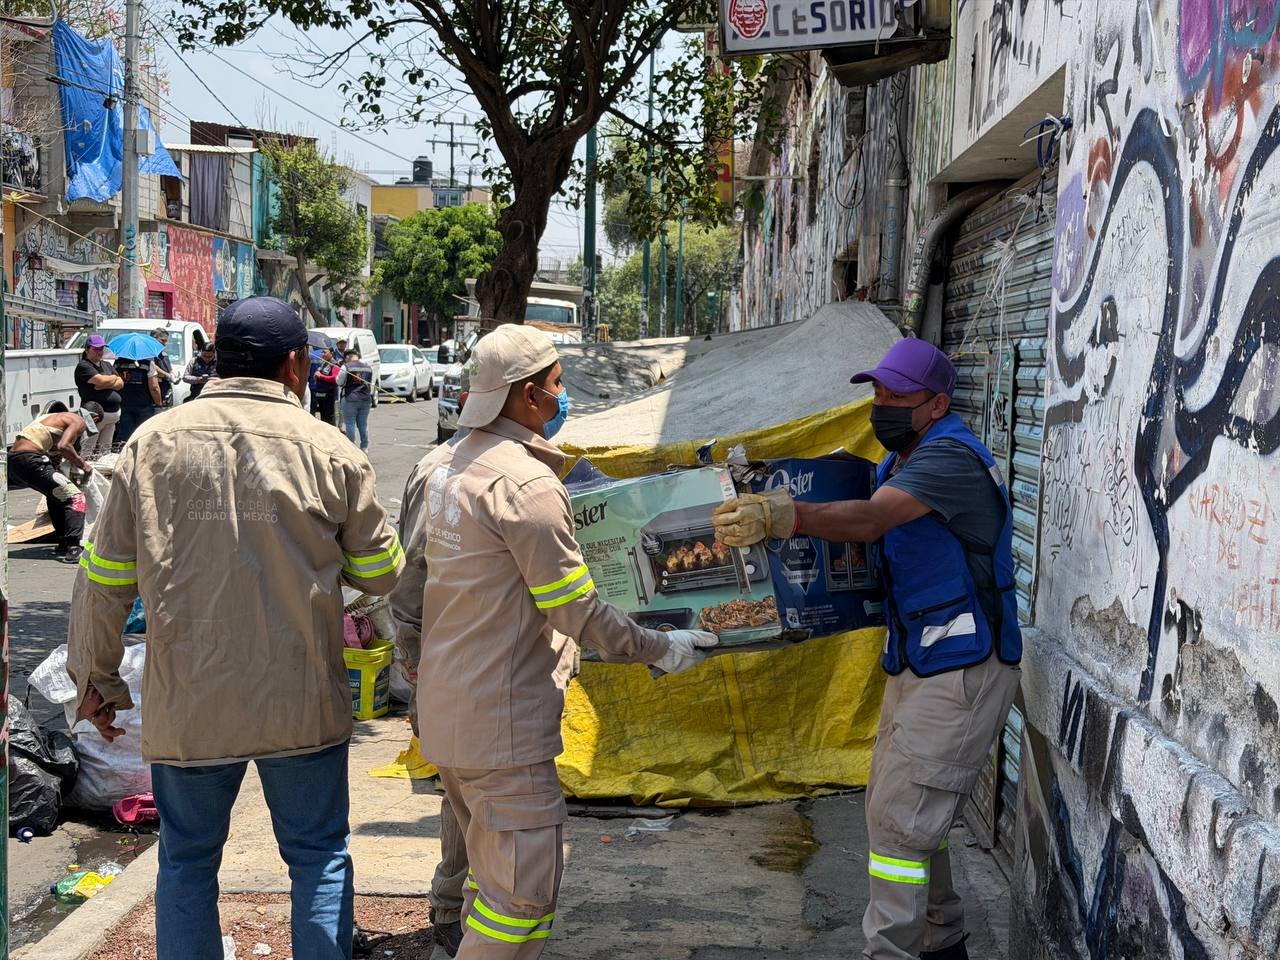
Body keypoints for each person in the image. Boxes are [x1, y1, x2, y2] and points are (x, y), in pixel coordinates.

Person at [67, 296, 405, 960]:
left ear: (218, 357)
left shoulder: (153, 443)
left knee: (187, 862)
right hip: (299, 697)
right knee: (317, 856)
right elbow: (384, 570)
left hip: (191, 700)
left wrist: (97, 681)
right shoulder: (327, 447)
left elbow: (104, 581)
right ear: (295, 364)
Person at [712, 338, 1022, 960]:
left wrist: (785, 515)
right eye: (876, 392)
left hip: (961, 670)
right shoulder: (901, 460)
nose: (881, 405)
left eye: (895, 395)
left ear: (935, 404)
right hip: (922, 662)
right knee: (905, 819)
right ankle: (941, 944)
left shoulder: (950, 460)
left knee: (902, 827)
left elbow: (869, 520)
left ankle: (894, 951)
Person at [417, 323, 717, 959]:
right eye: (556, 387)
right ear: (527, 397)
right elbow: (575, 610)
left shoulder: (451, 467)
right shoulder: (524, 486)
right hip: (502, 726)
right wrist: (661, 648)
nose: (562, 399)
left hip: (451, 714)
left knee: (495, 885)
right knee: (520, 897)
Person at [389, 441, 470, 957]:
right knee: (464, 795)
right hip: (457, 672)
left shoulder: (528, 460)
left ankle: (464, 910)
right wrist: (417, 672)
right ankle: (450, 912)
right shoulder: (445, 470)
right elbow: (410, 579)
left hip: (507, 674)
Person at [7, 404, 104, 562]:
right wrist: (83, 465)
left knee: (55, 495)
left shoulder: (52, 417)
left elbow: (48, 443)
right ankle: (73, 548)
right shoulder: (78, 420)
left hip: (15, 460)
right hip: (31, 459)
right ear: (94, 418)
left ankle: (64, 541)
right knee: (75, 497)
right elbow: (64, 445)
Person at [75, 335, 123, 455]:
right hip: (94, 416)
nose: (99, 352)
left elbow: (121, 383)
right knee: (88, 449)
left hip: (112, 416)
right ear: (87, 350)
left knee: (105, 451)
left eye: (101, 349)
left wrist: (105, 383)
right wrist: (112, 379)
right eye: (96, 349)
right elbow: (102, 381)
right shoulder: (84, 366)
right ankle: (82, 471)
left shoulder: (106, 364)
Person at [115, 352, 162, 445]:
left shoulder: (118, 363)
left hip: (124, 404)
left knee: (127, 439)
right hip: (144, 406)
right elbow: (154, 387)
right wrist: (159, 403)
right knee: (144, 438)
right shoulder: (148, 363)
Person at [338, 349, 373, 450]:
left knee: (350, 424)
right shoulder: (368, 367)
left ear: (347, 357)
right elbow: (369, 383)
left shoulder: (346, 366)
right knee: (363, 424)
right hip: (365, 398)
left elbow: (339, 382)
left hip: (350, 398)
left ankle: (352, 448)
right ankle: (364, 448)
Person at [311, 347, 340, 425]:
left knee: (329, 418)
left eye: (325, 352)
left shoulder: (335, 364)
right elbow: (320, 373)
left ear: (332, 353)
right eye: (322, 352)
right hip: (320, 393)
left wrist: (321, 376)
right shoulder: (324, 363)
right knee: (323, 418)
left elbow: (334, 378)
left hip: (329, 395)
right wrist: (316, 374)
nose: (323, 354)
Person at [151, 328, 177, 408]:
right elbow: (152, 366)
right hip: (155, 394)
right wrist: (167, 375)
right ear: (153, 339)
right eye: (162, 340)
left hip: (166, 391)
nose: (164, 344)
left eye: (166, 341)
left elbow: (168, 368)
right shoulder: (149, 354)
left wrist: (172, 374)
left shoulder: (164, 354)